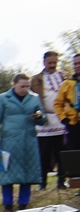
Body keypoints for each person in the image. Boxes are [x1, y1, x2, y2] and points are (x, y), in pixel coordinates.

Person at [0, 74, 44, 212]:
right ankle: (8, 205)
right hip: (9, 143)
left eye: (27, 86)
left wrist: (39, 116)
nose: (25, 89)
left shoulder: (34, 98)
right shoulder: (3, 98)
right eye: (22, 86)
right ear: (13, 84)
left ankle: (23, 204)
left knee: (27, 175)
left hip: (28, 142)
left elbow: (42, 118)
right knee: (6, 174)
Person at [32, 51, 67, 189]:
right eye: (49, 63)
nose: (52, 65)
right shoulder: (36, 80)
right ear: (44, 62)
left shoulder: (63, 77)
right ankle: (42, 182)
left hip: (61, 120)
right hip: (44, 122)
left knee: (61, 154)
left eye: (54, 63)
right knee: (44, 154)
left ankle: (61, 181)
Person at [55, 52, 80, 184]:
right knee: (74, 153)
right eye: (75, 63)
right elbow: (58, 104)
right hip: (73, 124)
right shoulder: (67, 84)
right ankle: (76, 183)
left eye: (79, 63)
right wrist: (64, 119)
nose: (77, 66)